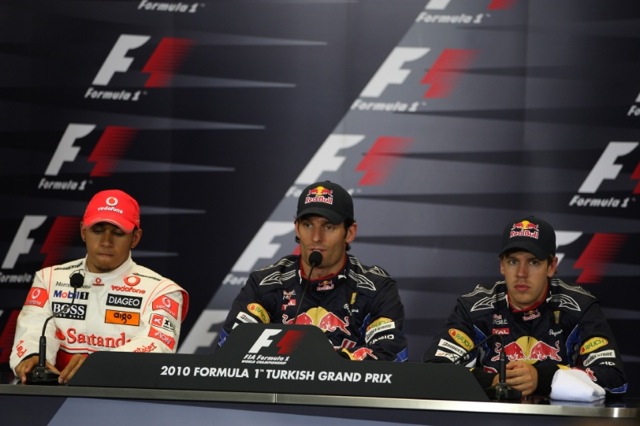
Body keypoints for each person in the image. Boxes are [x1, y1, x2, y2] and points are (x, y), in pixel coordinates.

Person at [423, 215, 627, 398]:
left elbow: (615, 379)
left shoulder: (579, 307)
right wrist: (493, 381)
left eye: (533, 262)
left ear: (551, 266)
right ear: (502, 265)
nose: (521, 273)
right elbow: (434, 372)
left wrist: (543, 379)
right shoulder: (474, 308)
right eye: (513, 262)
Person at [10, 189, 189, 384]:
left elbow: (156, 347)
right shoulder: (49, 279)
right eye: (97, 230)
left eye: (118, 233)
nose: (106, 242)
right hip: (56, 396)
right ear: (83, 232)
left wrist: (99, 364)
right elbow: (33, 329)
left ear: (135, 238)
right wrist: (33, 357)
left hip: (123, 398)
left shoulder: (162, 291)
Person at [218, 181, 408, 362]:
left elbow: (392, 354)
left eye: (328, 226)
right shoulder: (265, 284)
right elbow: (230, 347)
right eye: (308, 225)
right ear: (297, 229)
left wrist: (330, 366)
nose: (316, 237)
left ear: (349, 232)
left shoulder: (376, 288)